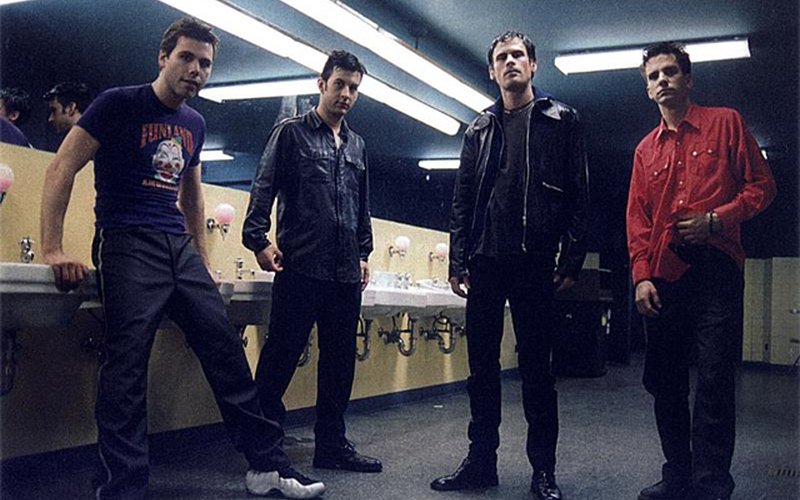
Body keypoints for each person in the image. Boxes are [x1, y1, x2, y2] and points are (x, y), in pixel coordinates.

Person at [39, 17, 325, 500]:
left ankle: (268, 467)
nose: (196, 70)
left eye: (205, 63)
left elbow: (192, 196)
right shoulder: (117, 104)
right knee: (128, 364)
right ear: (163, 57)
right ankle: (121, 486)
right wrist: (52, 248)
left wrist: (203, 259)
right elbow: (61, 168)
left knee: (226, 351)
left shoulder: (194, 123)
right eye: (187, 58)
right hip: (127, 240)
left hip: (178, 246)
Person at [430, 31, 589, 500]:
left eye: (519, 55)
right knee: (481, 370)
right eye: (502, 57)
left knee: (538, 371)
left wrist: (572, 256)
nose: (511, 62)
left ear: (533, 65)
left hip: (535, 260)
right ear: (492, 70)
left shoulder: (562, 120)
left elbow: (580, 195)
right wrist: (458, 258)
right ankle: (481, 463)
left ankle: (544, 471)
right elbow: (462, 199)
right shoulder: (479, 128)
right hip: (485, 260)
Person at [626, 42, 776, 500]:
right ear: (647, 89)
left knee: (713, 377)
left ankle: (710, 484)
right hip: (664, 272)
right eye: (654, 76)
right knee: (665, 381)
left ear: (688, 80)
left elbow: (762, 186)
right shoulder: (644, 150)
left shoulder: (726, 122)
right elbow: (638, 219)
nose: (662, 80)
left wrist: (717, 219)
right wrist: (641, 276)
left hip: (717, 267)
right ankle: (677, 475)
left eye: (670, 72)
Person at [243, 50, 381, 474]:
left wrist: (363, 253)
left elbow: (361, 205)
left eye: (353, 88)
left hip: (344, 272)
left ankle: (332, 446)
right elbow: (263, 185)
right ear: (321, 84)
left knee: (339, 364)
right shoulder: (291, 133)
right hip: (301, 267)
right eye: (339, 84)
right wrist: (257, 240)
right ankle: (262, 446)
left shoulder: (357, 145)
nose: (346, 94)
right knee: (280, 358)